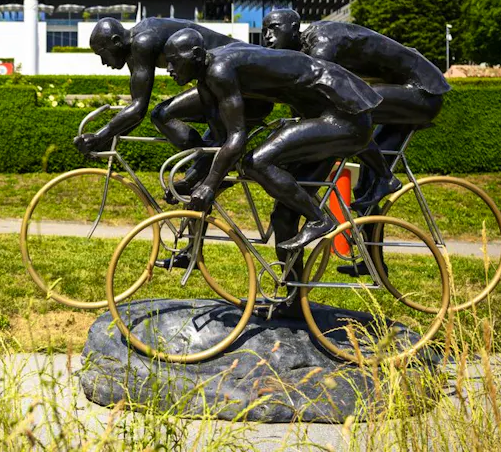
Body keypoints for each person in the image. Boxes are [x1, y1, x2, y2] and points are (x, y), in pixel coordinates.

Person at [164, 29, 385, 316]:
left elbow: (237, 140)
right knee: (284, 217)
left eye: (173, 61)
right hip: (324, 114)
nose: (168, 68)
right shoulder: (209, 76)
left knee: (257, 162)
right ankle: (294, 302)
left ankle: (320, 219)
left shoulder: (220, 70)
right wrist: (195, 181)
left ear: (194, 56)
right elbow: (220, 141)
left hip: (344, 116)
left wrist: (208, 186)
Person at [262, 9, 451, 211]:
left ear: (294, 29)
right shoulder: (305, 51)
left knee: (350, 110)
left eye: (274, 28)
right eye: (264, 31)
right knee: (363, 184)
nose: (267, 37)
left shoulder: (322, 43)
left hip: (423, 90)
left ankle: (385, 177)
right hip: (404, 89)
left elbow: (320, 100)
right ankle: (374, 207)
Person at [74, 17, 273, 196]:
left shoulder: (142, 42)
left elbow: (138, 109)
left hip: (238, 84)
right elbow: (136, 111)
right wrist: (105, 137)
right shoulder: (135, 47)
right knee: (165, 121)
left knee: (162, 115)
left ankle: (214, 164)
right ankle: (208, 166)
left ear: (117, 42)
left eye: (103, 53)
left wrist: (100, 136)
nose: (103, 62)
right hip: (224, 83)